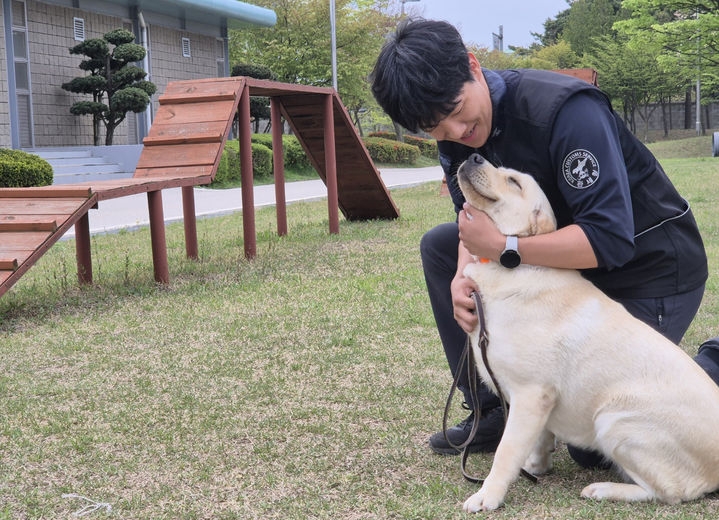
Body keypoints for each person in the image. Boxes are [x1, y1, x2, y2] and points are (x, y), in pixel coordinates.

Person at [370, 18, 719, 467]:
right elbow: (471, 218)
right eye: (433, 128)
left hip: (648, 269)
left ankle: (708, 368)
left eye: (457, 110)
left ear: (474, 67)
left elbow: (609, 239)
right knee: (440, 246)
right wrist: (461, 276)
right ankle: (494, 408)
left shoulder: (567, 111)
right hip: (566, 279)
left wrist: (505, 248)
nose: (455, 132)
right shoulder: (454, 132)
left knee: (590, 448)